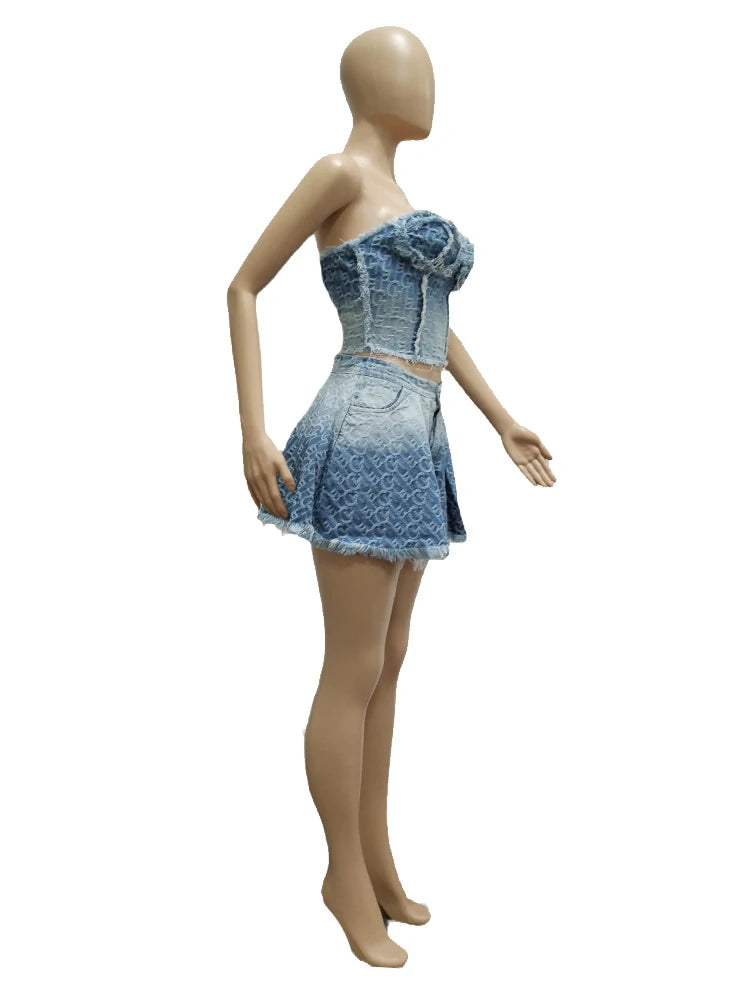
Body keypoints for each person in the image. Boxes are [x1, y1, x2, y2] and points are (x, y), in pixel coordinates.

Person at [226, 25, 555, 968]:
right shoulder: (337, 173)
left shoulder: (399, 198)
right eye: (413, 68)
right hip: (363, 424)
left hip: (420, 435)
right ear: (371, 84)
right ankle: (341, 876)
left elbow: (436, 329)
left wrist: (501, 419)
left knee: (390, 662)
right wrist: (251, 428)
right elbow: (243, 285)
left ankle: (375, 860)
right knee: (354, 665)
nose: (428, 84)